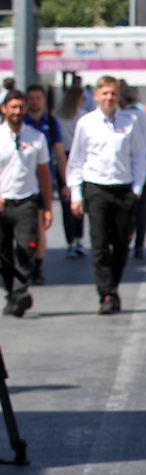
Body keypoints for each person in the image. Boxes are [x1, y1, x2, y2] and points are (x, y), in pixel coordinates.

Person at [65, 75, 146, 315]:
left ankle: (113, 286)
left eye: (113, 93)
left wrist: (136, 190)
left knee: (121, 245)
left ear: (119, 96)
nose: (109, 98)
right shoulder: (86, 123)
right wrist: (76, 194)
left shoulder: (130, 121)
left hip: (123, 189)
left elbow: (139, 157)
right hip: (96, 188)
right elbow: (76, 160)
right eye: (105, 93)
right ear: (97, 96)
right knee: (100, 245)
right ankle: (107, 294)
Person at [0, 89, 52, 318]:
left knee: (27, 247)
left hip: (27, 202)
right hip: (2, 202)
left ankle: (20, 292)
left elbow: (44, 175)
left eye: (20, 107)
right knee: (3, 253)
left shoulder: (36, 137)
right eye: (13, 107)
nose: (17, 111)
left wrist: (47, 207)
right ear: (4, 109)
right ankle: (12, 292)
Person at [24, 84, 65, 286]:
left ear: (43, 100)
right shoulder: (19, 123)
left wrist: (65, 183)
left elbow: (59, 154)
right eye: (30, 98)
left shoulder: (51, 123)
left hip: (42, 181)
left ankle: (37, 268)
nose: (34, 101)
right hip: (20, 182)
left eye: (37, 98)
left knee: (39, 225)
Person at [122, 86, 146, 260]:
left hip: (127, 164)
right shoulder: (145, 118)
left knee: (125, 207)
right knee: (141, 206)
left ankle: (124, 241)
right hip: (144, 162)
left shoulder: (123, 117)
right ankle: (139, 246)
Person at [55, 86, 85, 257]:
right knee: (78, 199)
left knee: (66, 202)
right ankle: (79, 239)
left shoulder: (57, 117)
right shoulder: (82, 117)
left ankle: (71, 241)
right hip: (76, 158)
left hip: (62, 157)